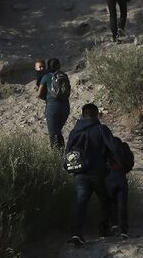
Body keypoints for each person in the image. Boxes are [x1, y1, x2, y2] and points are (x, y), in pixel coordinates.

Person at [64, 103, 125, 245]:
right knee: (107, 201)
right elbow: (114, 147)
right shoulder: (101, 129)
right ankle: (104, 229)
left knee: (81, 202)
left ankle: (76, 233)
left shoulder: (74, 131)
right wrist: (121, 162)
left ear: (83, 114)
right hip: (97, 173)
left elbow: (67, 152)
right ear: (96, 114)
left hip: (79, 173)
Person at [36, 57, 71, 149]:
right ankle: (62, 153)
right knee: (58, 131)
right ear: (58, 66)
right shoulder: (64, 76)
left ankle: (56, 157)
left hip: (52, 108)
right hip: (65, 107)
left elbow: (39, 94)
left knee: (53, 134)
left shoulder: (46, 77)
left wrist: (47, 99)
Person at [105, 135, 133, 240]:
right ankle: (123, 230)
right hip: (121, 177)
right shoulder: (124, 147)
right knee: (122, 204)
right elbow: (130, 164)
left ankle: (111, 226)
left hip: (108, 177)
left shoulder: (106, 149)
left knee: (109, 203)